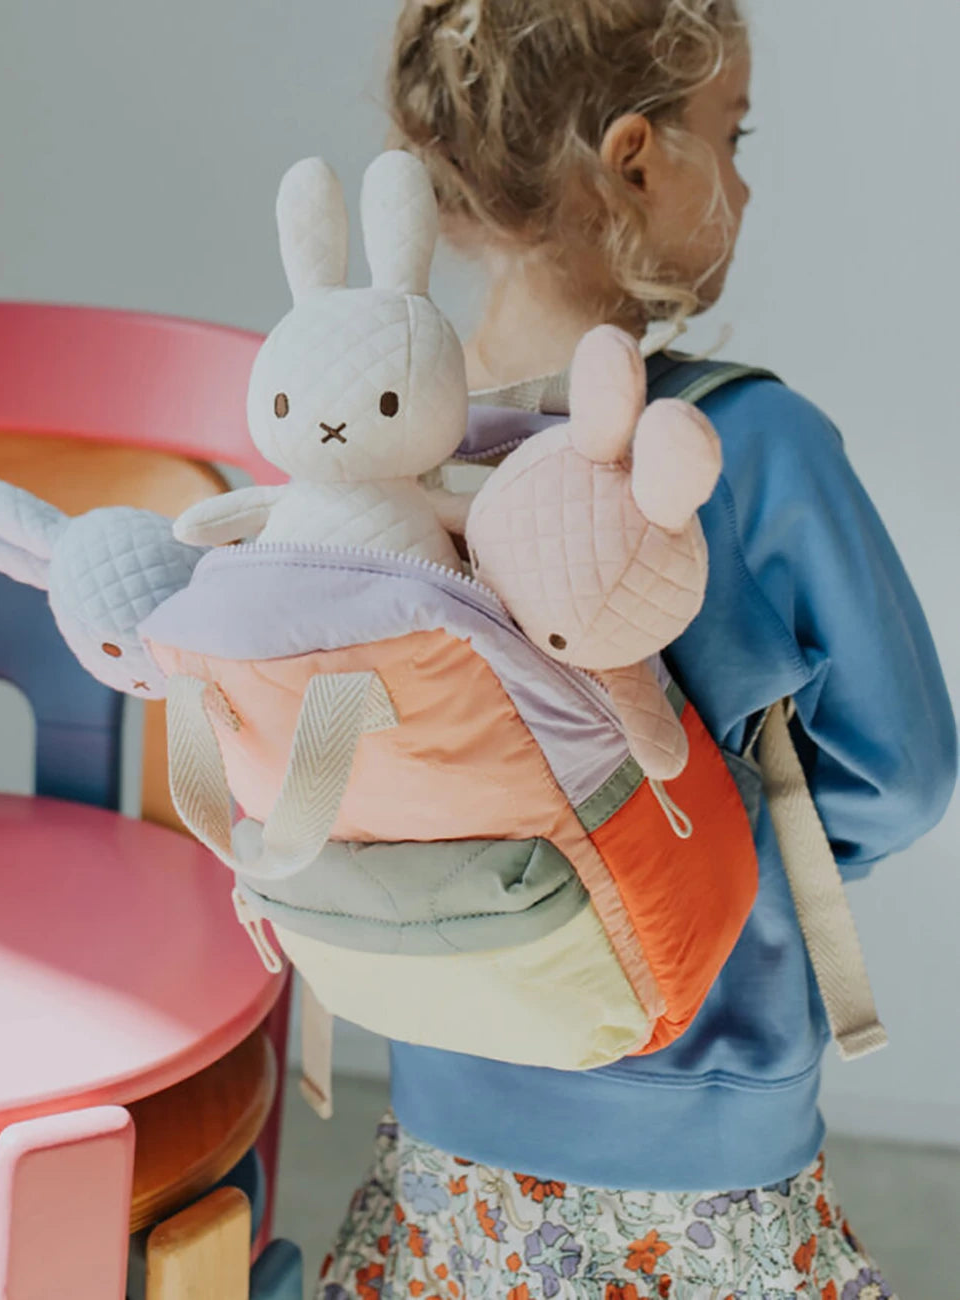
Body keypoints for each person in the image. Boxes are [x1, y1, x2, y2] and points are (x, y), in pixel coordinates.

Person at [317, 3, 956, 1296]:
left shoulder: (388, 456)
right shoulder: (755, 453)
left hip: (454, 1102)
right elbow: (908, 770)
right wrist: (728, 834)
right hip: (710, 1146)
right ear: (632, 158)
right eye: (732, 134)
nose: (747, 177)